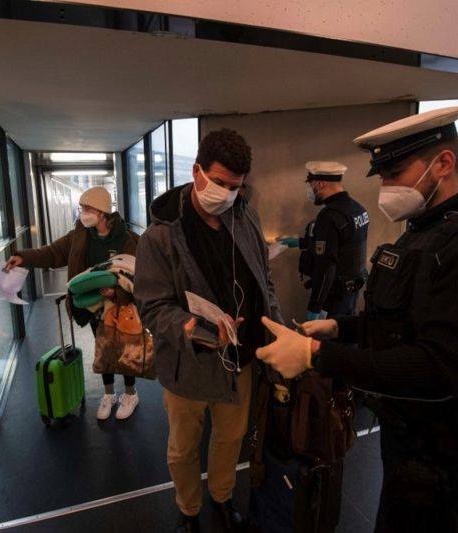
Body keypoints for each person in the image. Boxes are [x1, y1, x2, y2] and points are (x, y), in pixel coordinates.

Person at [256, 106, 458, 532]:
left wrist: (316, 355)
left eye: (395, 173)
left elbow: (439, 369)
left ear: (443, 163)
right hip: (407, 428)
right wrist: (340, 328)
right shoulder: (426, 233)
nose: (387, 187)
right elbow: (402, 323)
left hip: (445, 445)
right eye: (384, 176)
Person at [134, 128, 284, 533]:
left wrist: (276, 326)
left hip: (240, 359)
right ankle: (188, 509)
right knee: (183, 448)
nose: (227, 194)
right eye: (219, 183)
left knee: (231, 438)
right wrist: (195, 328)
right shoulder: (160, 236)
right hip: (189, 364)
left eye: (236, 187)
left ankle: (221, 496)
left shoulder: (245, 215)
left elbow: (263, 279)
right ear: (196, 171)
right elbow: (152, 308)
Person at [5, 186, 141, 420]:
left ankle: (130, 394)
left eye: (87, 208)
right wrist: (23, 257)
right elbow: (52, 253)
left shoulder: (128, 239)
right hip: (92, 305)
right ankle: (108, 394)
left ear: (102, 212)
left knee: (125, 348)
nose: (82, 213)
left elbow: (137, 275)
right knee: (103, 349)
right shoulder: (79, 236)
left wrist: (116, 292)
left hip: (120, 305)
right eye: (81, 208)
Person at [278, 161, 369, 320]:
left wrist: (315, 307)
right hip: (351, 292)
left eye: (310, 185)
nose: (310, 190)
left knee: (328, 336)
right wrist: (300, 243)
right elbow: (341, 246)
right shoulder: (358, 209)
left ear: (319, 184)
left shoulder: (329, 216)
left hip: (332, 298)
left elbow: (326, 267)